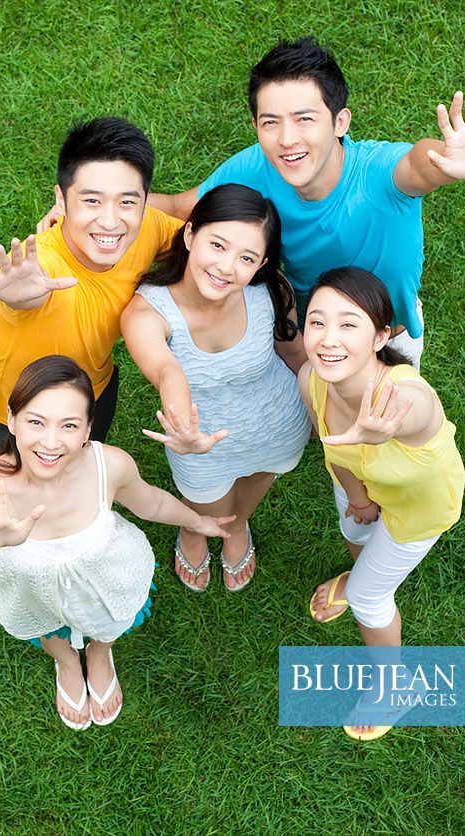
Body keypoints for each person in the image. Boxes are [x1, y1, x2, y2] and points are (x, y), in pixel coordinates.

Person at [42, 37, 465, 370]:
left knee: (394, 433)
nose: (286, 140)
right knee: (332, 425)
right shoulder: (253, 167)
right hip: (309, 328)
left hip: (389, 330)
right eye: (270, 122)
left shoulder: (379, 173)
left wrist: (446, 163)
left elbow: (417, 166)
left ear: (340, 120)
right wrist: (103, 206)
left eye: (304, 119)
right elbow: (183, 207)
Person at [0, 355, 234, 730]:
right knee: (48, 627)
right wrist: (8, 544)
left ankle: (100, 655)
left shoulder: (109, 465)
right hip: (38, 595)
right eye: (36, 422)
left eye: (68, 425)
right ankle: (66, 662)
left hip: (108, 580)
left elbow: (151, 503)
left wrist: (199, 522)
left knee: (109, 622)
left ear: (87, 431)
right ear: (11, 418)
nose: (50, 443)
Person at [297, 267, 465, 741]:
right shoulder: (311, 378)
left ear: (380, 337)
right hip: (363, 484)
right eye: (317, 322)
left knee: (372, 599)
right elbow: (333, 443)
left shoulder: (407, 396)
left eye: (349, 324)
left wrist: (386, 426)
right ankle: (358, 572)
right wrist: (355, 493)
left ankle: (394, 685)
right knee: (354, 531)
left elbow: (417, 407)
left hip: (419, 507)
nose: (329, 339)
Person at [121, 184, 311, 592]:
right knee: (207, 502)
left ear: (261, 264)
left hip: (278, 423)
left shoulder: (270, 289)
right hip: (201, 439)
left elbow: (295, 354)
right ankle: (195, 530)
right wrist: (185, 431)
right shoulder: (146, 312)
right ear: (190, 235)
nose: (227, 267)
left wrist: (317, 409)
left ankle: (238, 525)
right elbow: (167, 371)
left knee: (261, 478)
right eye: (217, 245)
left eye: (246, 258)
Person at [0, 117, 183, 459]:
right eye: (92, 201)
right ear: (61, 199)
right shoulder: (43, 271)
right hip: (18, 413)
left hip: (94, 390)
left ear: (145, 200)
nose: (111, 222)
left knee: (81, 467)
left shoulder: (149, 228)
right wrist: (15, 301)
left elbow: (199, 241)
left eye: (127, 201)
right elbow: (32, 289)